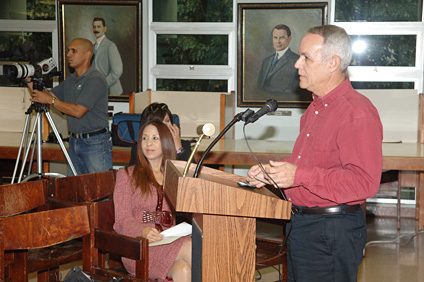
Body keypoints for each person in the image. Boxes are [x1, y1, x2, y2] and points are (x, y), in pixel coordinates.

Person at [247, 25, 383, 282]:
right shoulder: (315, 109)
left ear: (333, 63)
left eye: (306, 58)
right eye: (299, 56)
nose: (297, 64)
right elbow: (308, 166)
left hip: (330, 232)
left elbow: (364, 182)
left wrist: (299, 175)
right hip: (302, 225)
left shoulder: (357, 112)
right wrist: (273, 174)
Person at [114, 120, 192, 282]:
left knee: (182, 270)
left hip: (170, 240)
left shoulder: (174, 174)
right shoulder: (126, 175)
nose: (148, 143)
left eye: (155, 138)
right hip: (139, 247)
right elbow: (121, 221)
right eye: (144, 138)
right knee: (194, 249)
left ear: (165, 142)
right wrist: (142, 231)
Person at [28, 38, 112, 176]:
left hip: (95, 143)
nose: (68, 54)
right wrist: (30, 80)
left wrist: (50, 100)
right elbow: (44, 96)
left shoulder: (95, 79)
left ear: (87, 55)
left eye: (74, 51)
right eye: (68, 50)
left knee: (100, 191)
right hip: (74, 141)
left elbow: (78, 111)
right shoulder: (71, 80)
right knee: (75, 191)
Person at [129, 102, 193, 166]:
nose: (164, 125)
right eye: (159, 122)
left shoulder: (183, 144)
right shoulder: (141, 147)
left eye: (167, 121)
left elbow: (193, 173)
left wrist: (178, 147)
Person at [257, 24, 302, 99]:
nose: (278, 42)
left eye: (281, 38)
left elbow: (294, 90)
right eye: (275, 38)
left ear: (289, 38)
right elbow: (259, 86)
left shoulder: (297, 61)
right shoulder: (266, 61)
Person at [92, 17, 123, 95]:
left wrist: (103, 84)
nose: (96, 29)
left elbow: (117, 71)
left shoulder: (110, 46)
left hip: (111, 90)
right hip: (97, 91)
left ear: (104, 29)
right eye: (94, 27)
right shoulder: (93, 46)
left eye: (99, 27)